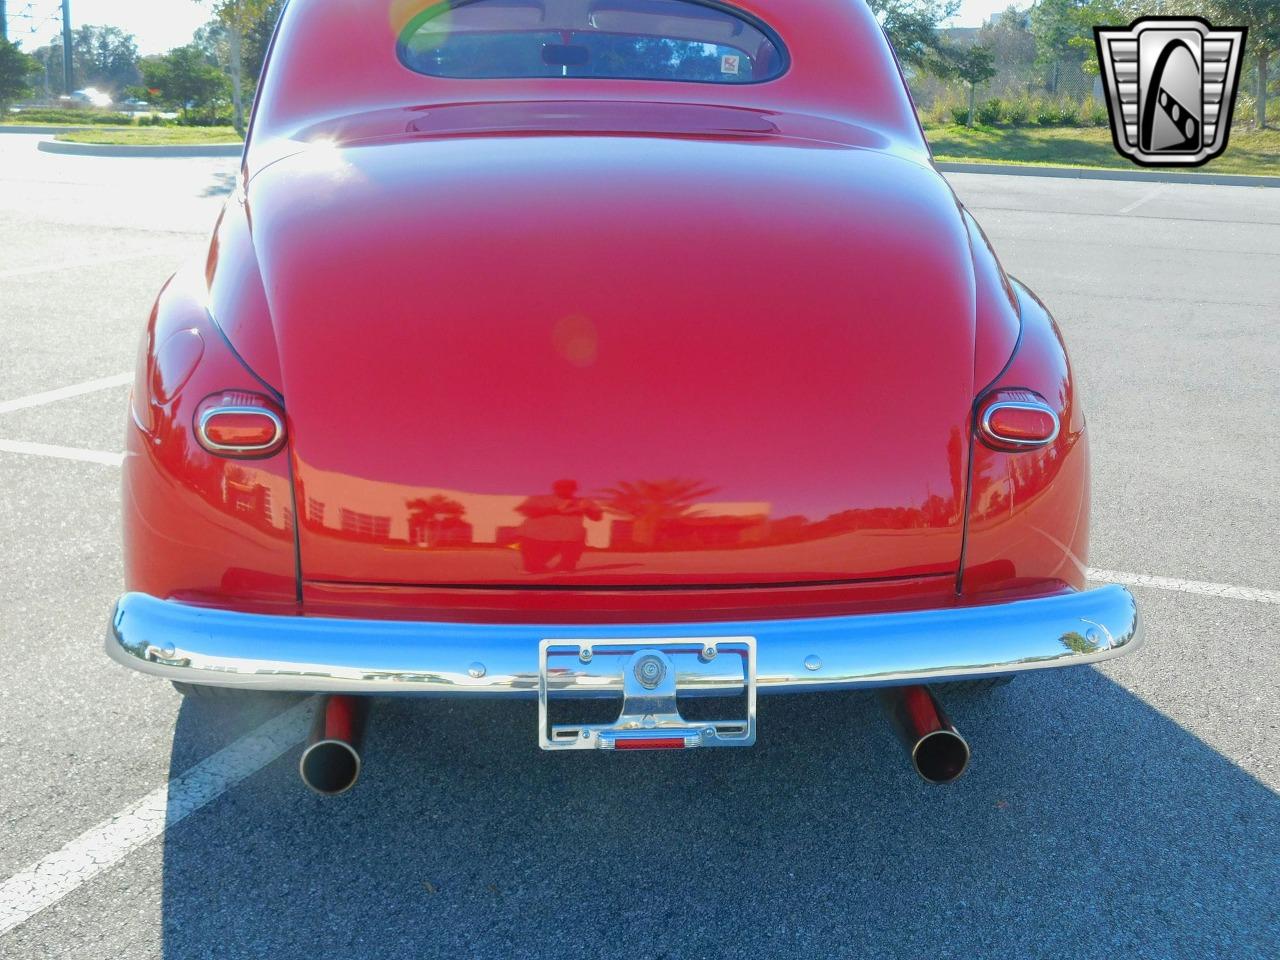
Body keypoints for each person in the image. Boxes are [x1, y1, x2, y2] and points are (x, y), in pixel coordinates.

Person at [514, 479, 603, 573]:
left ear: (574, 489)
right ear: (554, 488)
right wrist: (555, 509)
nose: (564, 490)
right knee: (532, 565)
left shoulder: (583, 501)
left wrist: (587, 509)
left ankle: (566, 566)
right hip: (536, 536)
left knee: (576, 538)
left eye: (569, 488)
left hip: (567, 539)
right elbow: (526, 512)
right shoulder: (539, 498)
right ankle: (533, 566)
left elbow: (597, 518)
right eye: (560, 487)